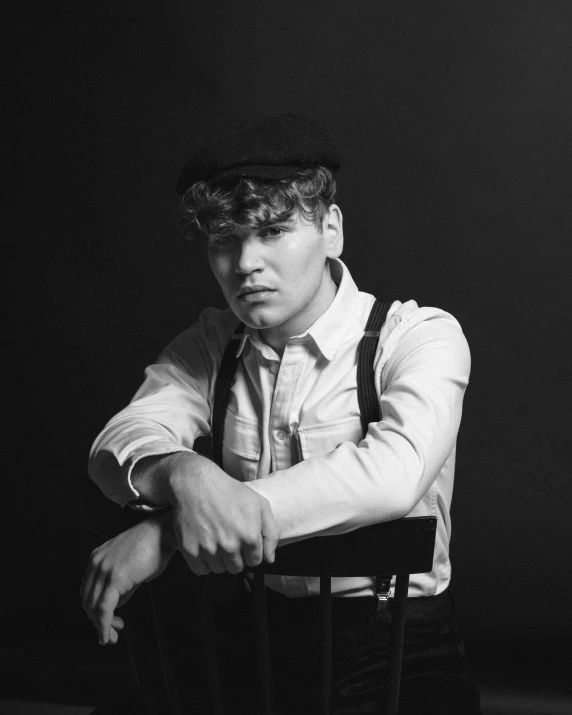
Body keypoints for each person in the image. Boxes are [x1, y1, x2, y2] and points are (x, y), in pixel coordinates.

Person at [81, 113, 482, 714]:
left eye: (271, 231)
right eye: (225, 240)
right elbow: (120, 441)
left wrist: (168, 530)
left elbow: (394, 474)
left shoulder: (416, 336)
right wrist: (183, 477)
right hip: (248, 642)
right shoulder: (211, 343)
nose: (245, 264)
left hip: (393, 651)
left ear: (331, 228)